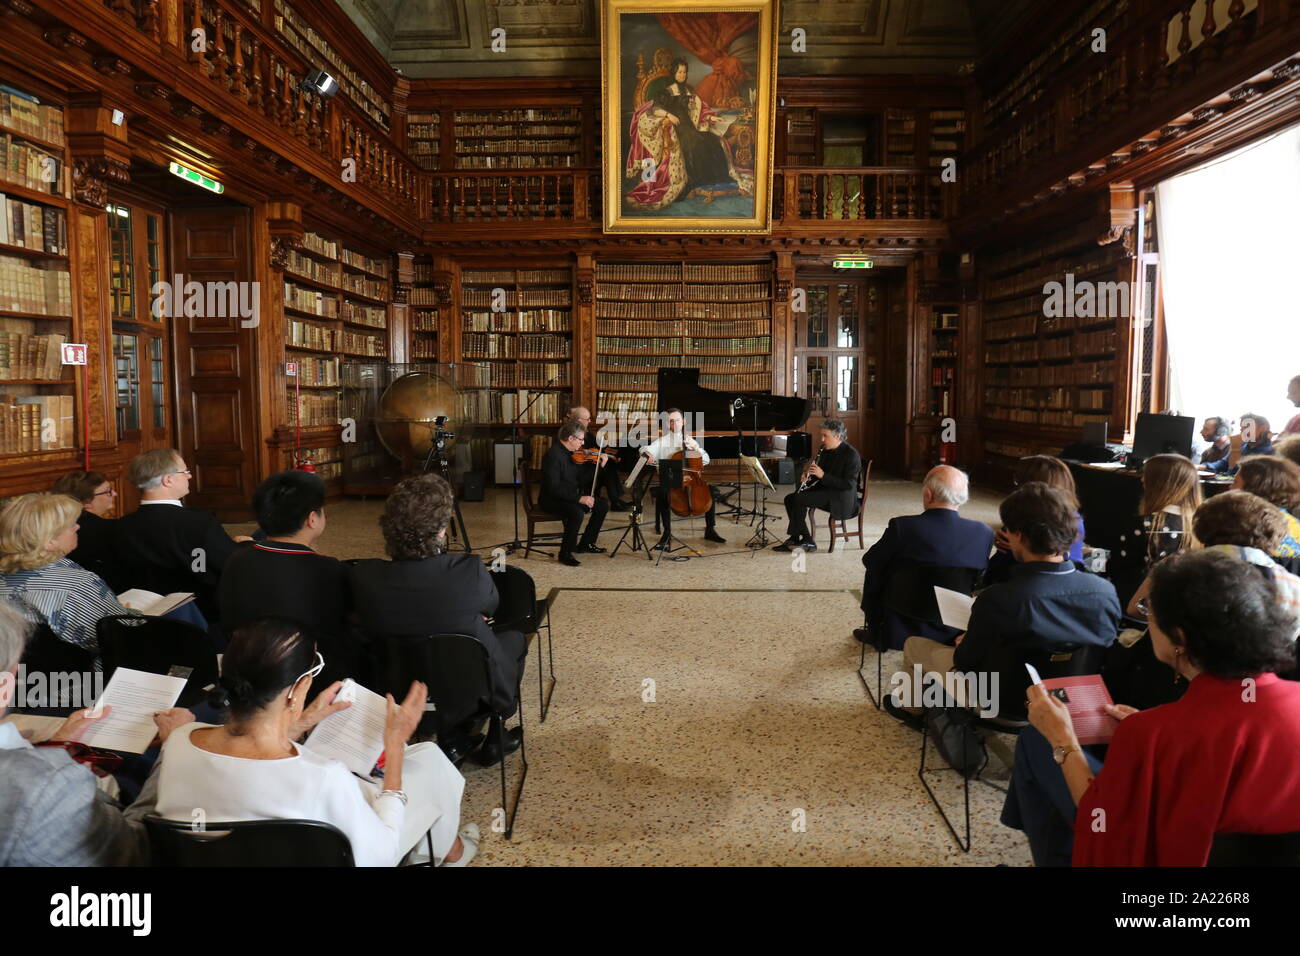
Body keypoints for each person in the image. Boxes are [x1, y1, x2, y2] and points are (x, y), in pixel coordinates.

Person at [1009, 550, 1300, 866]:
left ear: (1179, 637)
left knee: (1038, 742)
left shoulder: (1152, 733)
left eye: (1150, 610)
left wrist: (1062, 739)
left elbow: (1102, 821)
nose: (1146, 618)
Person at [127, 617, 479, 867]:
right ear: (297, 689)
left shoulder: (180, 742)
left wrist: (303, 722)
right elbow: (382, 854)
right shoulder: (325, 777)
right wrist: (397, 744)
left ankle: (450, 848)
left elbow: (245, 763)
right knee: (428, 763)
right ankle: (451, 852)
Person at [887, 483, 1119, 728]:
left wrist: (966, 642)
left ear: (1018, 535)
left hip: (1001, 703)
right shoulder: (1104, 592)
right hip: (1069, 700)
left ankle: (912, 710)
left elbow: (965, 663)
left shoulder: (1000, 598)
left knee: (914, 645)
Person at [349, 473, 529, 767]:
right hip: (469, 691)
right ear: (442, 530)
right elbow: (492, 608)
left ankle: (451, 737)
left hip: (396, 690)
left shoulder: (364, 576)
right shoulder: (468, 570)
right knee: (514, 640)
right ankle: (496, 733)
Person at [0, 599, 192, 866]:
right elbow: (139, 847)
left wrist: (60, 747)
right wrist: (176, 752)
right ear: (5, 687)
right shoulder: (45, 786)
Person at [219, 470, 361, 690]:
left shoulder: (236, 559)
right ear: (312, 519)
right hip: (307, 679)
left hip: (244, 671)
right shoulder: (329, 569)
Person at [856, 465, 994, 651]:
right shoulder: (984, 533)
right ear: (963, 497)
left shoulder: (903, 527)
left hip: (902, 613)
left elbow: (870, 561)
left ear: (928, 494)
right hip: (952, 621)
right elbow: (977, 579)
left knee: (876, 570)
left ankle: (875, 630)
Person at [113, 448, 251, 622]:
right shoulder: (197, 522)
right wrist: (245, 546)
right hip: (196, 616)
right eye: (185, 471)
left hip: (138, 615)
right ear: (168, 480)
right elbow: (216, 566)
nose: (190, 476)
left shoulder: (121, 525)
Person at [0, 492, 134, 663]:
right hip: (81, 685)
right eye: (70, 524)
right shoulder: (76, 586)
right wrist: (129, 614)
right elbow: (121, 641)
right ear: (49, 541)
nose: (77, 527)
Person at [624, 59, 747, 211]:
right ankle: (691, 184)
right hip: (677, 128)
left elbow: (697, 111)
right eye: (680, 72)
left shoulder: (689, 90)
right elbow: (655, 109)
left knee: (712, 140)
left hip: (690, 126)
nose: (683, 75)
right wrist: (669, 115)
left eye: (685, 72)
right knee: (691, 144)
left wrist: (711, 117)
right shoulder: (666, 91)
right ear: (674, 73)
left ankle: (711, 180)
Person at [1106, 453, 1201, 609]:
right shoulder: (1200, 523)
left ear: (1160, 484)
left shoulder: (1142, 524)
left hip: (1139, 603)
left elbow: (1118, 569)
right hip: (1182, 605)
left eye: (1146, 476)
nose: (1142, 479)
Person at [985, 456, 1085, 584]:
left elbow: (997, 573)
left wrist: (1016, 543)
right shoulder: (1073, 516)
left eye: (1018, 481)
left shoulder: (1026, 517)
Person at [640, 407, 726, 550]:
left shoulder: (690, 441)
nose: (674, 424)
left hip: (692, 479)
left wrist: (696, 450)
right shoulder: (662, 441)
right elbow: (644, 449)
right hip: (672, 481)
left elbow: (705, 460)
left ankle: (710, 529)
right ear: (667, 424)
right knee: (663, 494)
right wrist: (647, 453)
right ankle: (666, 534)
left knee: (709, 489)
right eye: (671, 421)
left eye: (677, 420)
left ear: (683, 421)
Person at [772, 419, 862, 553]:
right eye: (822, 435)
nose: (822, 439)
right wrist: (808, 477)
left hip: (842, 499)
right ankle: (798, 538)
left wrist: (823, 475)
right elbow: (818, 473)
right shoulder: (825, 449)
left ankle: (803, 539)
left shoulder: (851, 455)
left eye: (825, 436)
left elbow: (848, 485)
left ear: (837, 436)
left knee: (798, 499)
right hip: (827, 491)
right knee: (790, 498)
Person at [539, 420, 610, 566]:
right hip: (550, 500)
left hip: (567, 496)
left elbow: (581, 479)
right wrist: (579, 498)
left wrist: (599, 467)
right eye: (581, 439)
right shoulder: (553, 456)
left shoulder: (570, 453)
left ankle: (586, 543)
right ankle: (565, 553)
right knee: (576, 512)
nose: (583, 443)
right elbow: (553, 488)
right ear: (570, 438)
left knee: (602, 505)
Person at [51, 470, 117, 585]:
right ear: (86, 502)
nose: (115, 493)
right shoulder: (109, 529)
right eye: (108, 491)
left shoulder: (57, 525)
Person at [1232, 456, 1300, 558]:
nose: (1230, 487)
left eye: (1235, 482)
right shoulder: (1295, 524)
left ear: (1254, 488)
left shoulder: (1241, 527)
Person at [566, 403, 630, 510]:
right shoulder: (568, 432)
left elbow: (598, 446)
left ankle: (616, 500)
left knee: (609, 465)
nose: (589, 421)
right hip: (577, 467)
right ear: (578, 419)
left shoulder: (586, 433)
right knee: (606, 469)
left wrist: (610, 455)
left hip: (587, 463)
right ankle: (615, 501)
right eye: (587, 419)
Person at [1204, 413, 1274, 474]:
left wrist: (1235, 448)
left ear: (1263, 428)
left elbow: (1232, 473)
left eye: (1247, 427)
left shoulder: (1271, 451)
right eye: (1241, 427)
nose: (1242, 430)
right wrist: (1202, 466)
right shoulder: (1243, 445)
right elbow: (1224, 463)